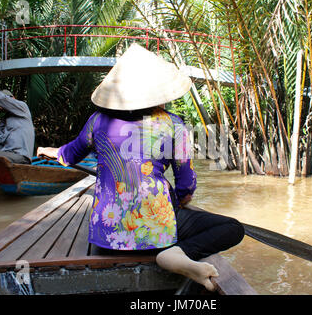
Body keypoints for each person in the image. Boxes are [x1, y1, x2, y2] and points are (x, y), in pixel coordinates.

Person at [37, 44, 244, 291]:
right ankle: (178, 254)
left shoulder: (97, 121)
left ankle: (171, 252)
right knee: (232, 228)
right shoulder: (173, 125)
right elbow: (186, 185)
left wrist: (48, 151)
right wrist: (178, 200)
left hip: (106, 237)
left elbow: (67, 155)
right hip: (158, 237)